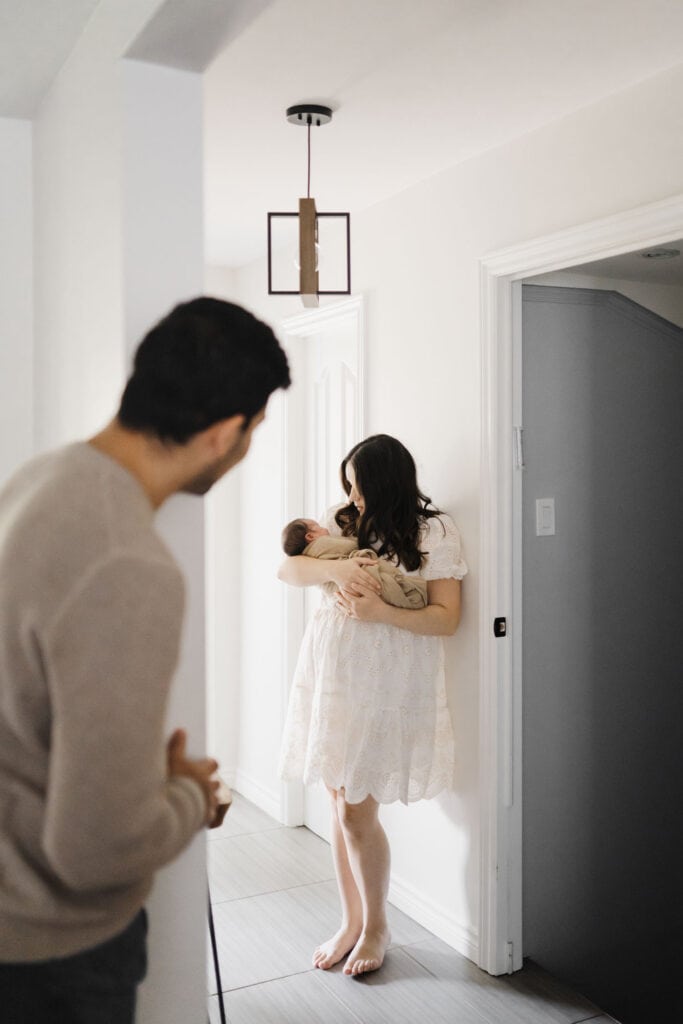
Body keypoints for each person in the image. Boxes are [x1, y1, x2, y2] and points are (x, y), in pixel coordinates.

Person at [0, 297, 290, 1023]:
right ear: (224, 434)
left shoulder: (41, 478)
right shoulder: (128, 564)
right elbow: (94, 849)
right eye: (254, 430)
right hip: (48, 960)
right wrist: (192, 795)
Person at [277, 434, 467, 977]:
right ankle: (350, 919)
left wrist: (380, 611)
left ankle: (377, 925)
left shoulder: (434, 531)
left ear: (384, 484)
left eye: (358, 489)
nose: (352, 499)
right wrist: (336, 571)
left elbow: (447, 617)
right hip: (331, 674)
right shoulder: (341, 522)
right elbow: (288, 570)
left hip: (385, 684)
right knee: (339, 799)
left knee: (358, 810)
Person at [281, 516, 428, 608]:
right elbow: (347, 547)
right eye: (317, 526)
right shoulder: (319, 546)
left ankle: (409, 594)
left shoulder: (311, 553)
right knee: (377, 581)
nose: (324, 527)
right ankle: (411, 594)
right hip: (346, 584)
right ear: (310, 536)